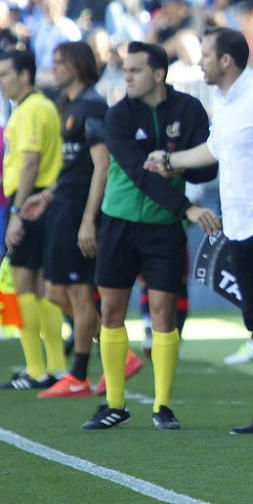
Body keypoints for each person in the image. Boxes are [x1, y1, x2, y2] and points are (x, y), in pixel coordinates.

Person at [147, 27, 253, 436]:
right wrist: (170, 161)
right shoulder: (224, 102)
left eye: (205, 54)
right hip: (240, 226)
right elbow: (215, 150)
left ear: (226, 60)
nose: (199, 61)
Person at [81, 41, 218, 431]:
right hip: (119, 221)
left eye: (135, 71)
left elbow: (207, 167)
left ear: (158, 73)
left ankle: (162, 406)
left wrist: (178, 166)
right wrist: (186, 208)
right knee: (111, 312)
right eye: (125, 71)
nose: (127, 77)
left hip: (163, 228)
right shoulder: (118, 115)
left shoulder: (189, 110)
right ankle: (114, 403)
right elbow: (138, 175)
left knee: (163, 313)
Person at [19, 42, 113, 398]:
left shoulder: (91, 107)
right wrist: (46, 196)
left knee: (75, 291)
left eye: (61, 62)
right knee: (55, 291)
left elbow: (101, 167)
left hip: (79, 211)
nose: (54, 67)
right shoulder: (70, 105)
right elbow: (74, 168)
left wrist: (89, 220)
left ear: (79, 64)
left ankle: (79, 374)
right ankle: (117, 349)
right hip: (64, 205)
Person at [0, 50, 65, 391]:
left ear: (25, 74)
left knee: (22, 286)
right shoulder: (44, 106)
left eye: (6, 74)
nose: (2, 82)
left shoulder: (28, 110)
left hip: (29, 200)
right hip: (45, 199)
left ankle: (36, 369)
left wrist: (16, 212)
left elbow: (29, 162)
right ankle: (54, 367)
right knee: (39, 288)